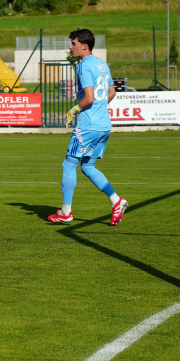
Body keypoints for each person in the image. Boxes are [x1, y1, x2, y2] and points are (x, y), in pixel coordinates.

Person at [49, 29, 127, 226]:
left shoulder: (84, 66)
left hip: (88, 126)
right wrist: (99, 110)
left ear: (85, 45)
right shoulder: (102, 64)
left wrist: (72, 110)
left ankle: (66, 212)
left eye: (73, 43)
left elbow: (89, 98)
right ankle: (116, 201)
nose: (70, 47)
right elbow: (111, 93)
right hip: (103, 125)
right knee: (88, 166)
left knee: (69, 164)